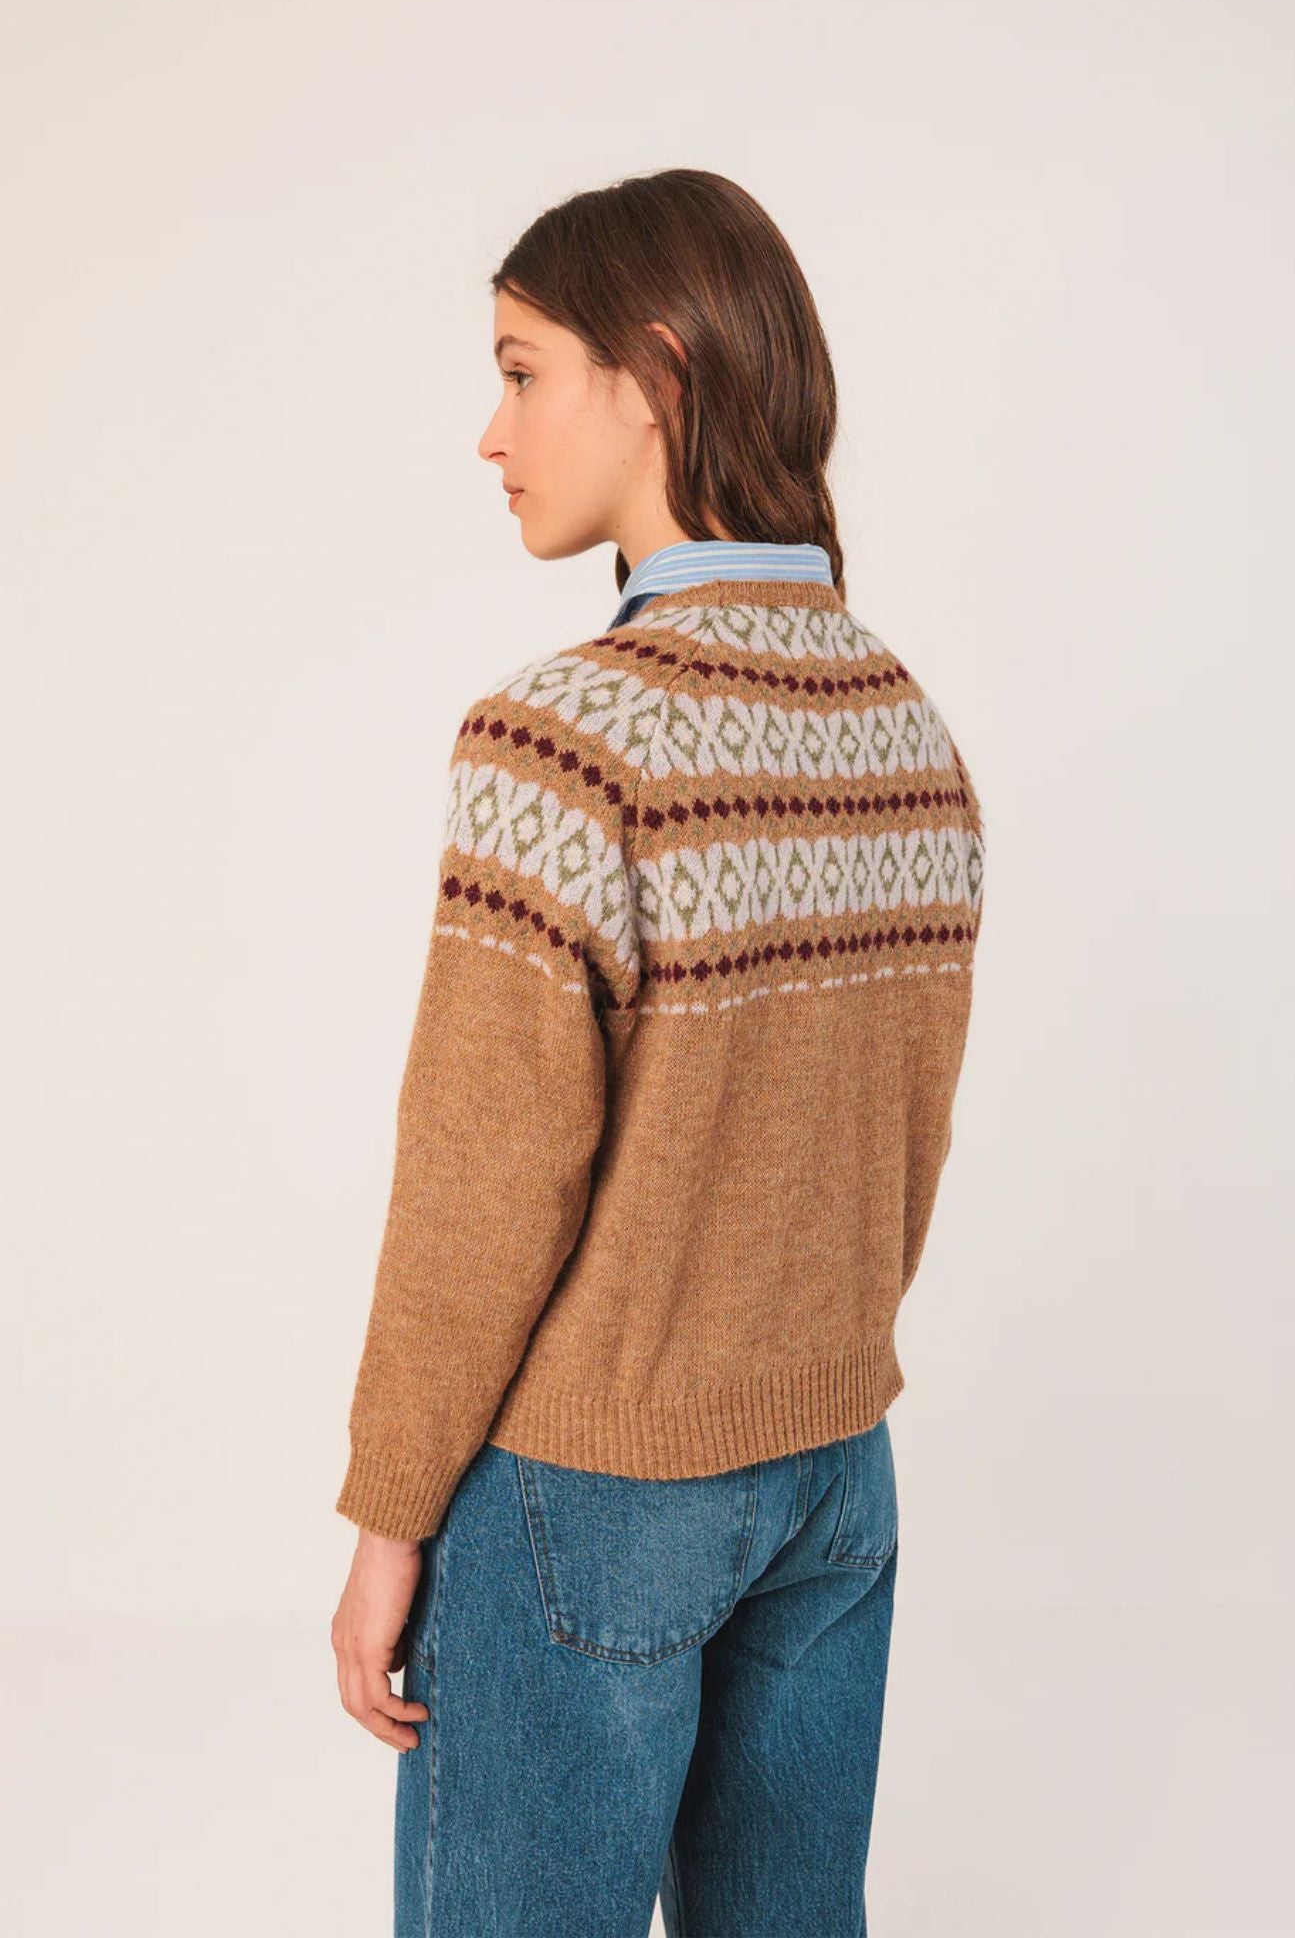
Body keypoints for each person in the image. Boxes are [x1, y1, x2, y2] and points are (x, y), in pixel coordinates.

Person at [330, 167, 986, 1938]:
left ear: (657, 375)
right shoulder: (903, 726)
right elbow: (901, 1132)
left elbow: (481, 1181)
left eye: (520, 372)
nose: (490, 433)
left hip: (591, 1491)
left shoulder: (564, 742)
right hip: (834, 1474)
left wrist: (389, 1520)